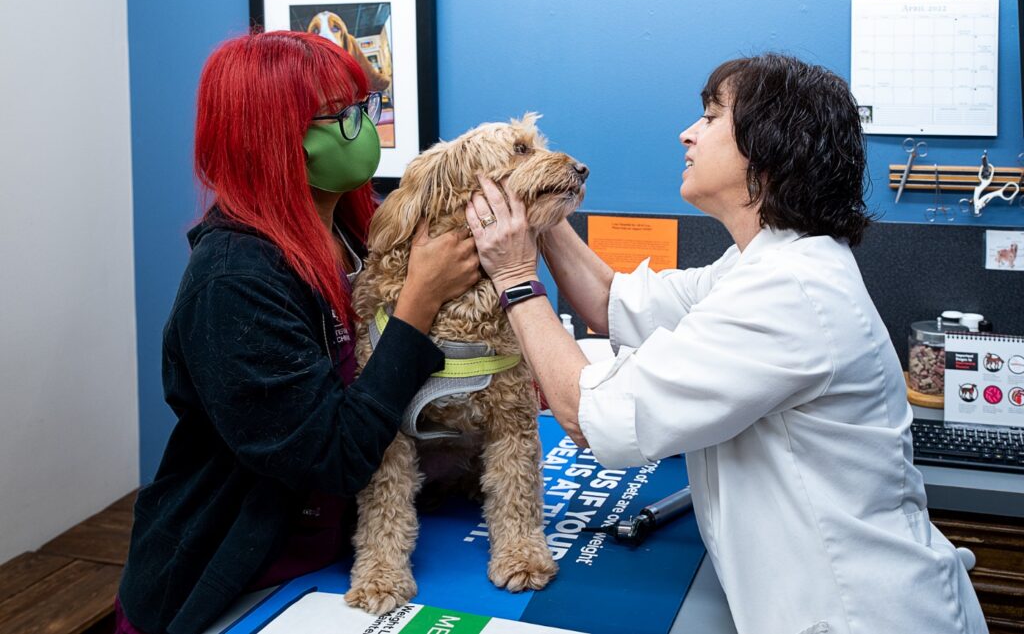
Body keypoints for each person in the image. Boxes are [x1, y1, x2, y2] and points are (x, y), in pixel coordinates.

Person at [467, 54, 988, 634]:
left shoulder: (789, 292)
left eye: (711, 117)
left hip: (861, 614)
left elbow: (590, 415)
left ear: (766, 150)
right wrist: (537, 205)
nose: (687, 133)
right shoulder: (764, 263)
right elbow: (609, 300)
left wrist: (515, 278)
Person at [115, 31, 479, 634]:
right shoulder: (233, 283)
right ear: (279, 140)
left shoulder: (357, 233)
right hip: (234, 578)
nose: (367, 129)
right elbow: (333, 456)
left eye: (369, 109)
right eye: (347, 115)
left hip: (332, 555)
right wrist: (418, 302)